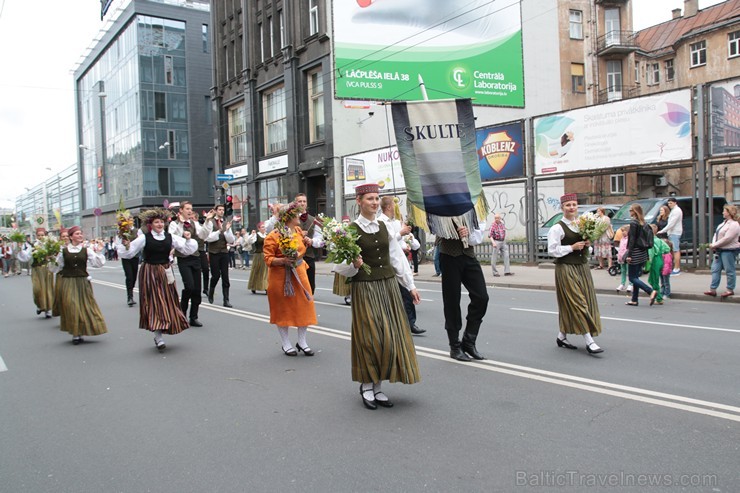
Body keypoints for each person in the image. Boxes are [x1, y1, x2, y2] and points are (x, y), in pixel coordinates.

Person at [334, 183, 420, 410]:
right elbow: (339, 266)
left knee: (389, 337)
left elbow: (397, 257)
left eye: (376, 198)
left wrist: (410, 285)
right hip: (365, 288)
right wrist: (354, 264)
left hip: (389, 286)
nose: (374, 202)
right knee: (370, 337)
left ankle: (378, 386)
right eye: (370, 198)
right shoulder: (350, 230)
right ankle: (366, 385)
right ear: (359, 202)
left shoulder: (385, 226)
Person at [118, 208, 198, 350]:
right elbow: (130, 253)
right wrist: (126, 245)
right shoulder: (145, 238)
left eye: (161, 222)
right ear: (151, 224)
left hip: (165, 271)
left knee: (167, 301)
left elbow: (186, 249)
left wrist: (188, 238)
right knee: (155, 302)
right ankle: (158, 335)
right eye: (156, 222)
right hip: (150, 272)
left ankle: (167, 325)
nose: (160, 224)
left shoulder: (170, 237)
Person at [548, 193, 604, 354]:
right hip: (566, 267)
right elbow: (552, 250)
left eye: (574, 205)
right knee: (578, 302)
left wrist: (587, 245)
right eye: (568, 205)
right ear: (562, 208)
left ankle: (562, 336)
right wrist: (571, 247)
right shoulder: (557, 228)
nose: (571, 208)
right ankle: (589, 340)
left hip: (582, 267)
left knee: (585, 299)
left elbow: (588, 250)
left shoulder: (581, 225)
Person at [263, 202, 318, 356]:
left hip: (300, 273)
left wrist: (307, 243)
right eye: (296, 214)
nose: (300, 216)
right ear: (288, 217)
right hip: (280, 277)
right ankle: (286, 343)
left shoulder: (299, 231)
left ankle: (302, 341)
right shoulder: (273, 236)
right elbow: (268, 259)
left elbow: (301, 248)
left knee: (305, 306)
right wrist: (282, 261)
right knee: (283, 310)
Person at [438, 214, 489, 361]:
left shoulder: (474, 206)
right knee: (452, 301)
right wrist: (451, 229)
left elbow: (477, 237)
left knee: (482, 297)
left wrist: (469, 232)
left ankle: (469, 342)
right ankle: (454, 346)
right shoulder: (443, 205)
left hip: (468, 255)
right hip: (449, 255)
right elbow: (434, 228)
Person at [48, 226, 108, 345]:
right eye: (77, 234)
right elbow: (55, 267)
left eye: (81, 233)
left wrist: (99, 251)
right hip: (68, 282)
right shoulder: (63, 251)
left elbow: (98, 264)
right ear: (71, 237)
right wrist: (52, 259)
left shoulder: (86, 250)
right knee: (72, 305)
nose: (80, 235)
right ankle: (76, 333)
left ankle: (84, 329)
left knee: (86, 306)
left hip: (82, 282)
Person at [377, 196, 425, 335]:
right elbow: (386, 241)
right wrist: (400, 233)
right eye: (394, 205)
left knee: (406, 295)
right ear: (389, 207)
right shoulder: (381, 222)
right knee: (400, 296)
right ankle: (402, 324)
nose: (397, 208)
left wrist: (406, 241)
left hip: (399, 260)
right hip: (390, 264)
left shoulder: (396, 222)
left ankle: (410, 323)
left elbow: (399, 243)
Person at [169, 201, 213, 327]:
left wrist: (208, 221)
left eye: (191, 209)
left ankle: (193, 317)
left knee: (197, 289)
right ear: (181, 210)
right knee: (189, 287)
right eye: (187, 209)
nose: (190, 211)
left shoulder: (194, 223)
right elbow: (171, 237)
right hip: (183, 259)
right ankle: (182, 314)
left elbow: (203, 235)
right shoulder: (174, 224)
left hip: (195, 258)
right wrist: (182, 230)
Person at [17, 228, 55, 318]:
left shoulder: (49, 245)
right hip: (36, 270)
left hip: (47, 269)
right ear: (36, 236)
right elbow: (26, 257)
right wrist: (21, 250)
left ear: (45, 236)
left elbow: (54, 256)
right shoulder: (33, 245)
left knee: (48, 289)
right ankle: (39, 305)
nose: (41, 237)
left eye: (42, 235)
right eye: (39, 235)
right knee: (37, 289)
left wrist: (50, 257)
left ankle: (48, 309)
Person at [625, 203, 657, 307]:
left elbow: (632, 239)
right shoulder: (643, 222)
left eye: (631, 210)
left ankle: (650, 291)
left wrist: (629, 254)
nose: (629, 212)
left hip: (635, 252)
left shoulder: (634, 223)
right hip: (642, 252)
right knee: (636, 277)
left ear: (635, 212)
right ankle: (634, 300)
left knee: (632, 278)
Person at [704, 204, 739, 298]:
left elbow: (727, 238)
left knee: (729, 270)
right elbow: (716, 234)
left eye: (724, 211)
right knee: (715, 269)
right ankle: (713, 289)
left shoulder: (734, 225)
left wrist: (715, 245)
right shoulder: (722, 223)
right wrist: (713, 244)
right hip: (719, 250)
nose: (723, 212)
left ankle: (730, 289)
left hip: (729, 250)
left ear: (729, 212)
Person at [205, 204, 235, 307]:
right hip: (214, 252)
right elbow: (208, 238)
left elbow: (231, 240)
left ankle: (226, 300)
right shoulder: (210, 222)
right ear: (216, 211)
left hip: (224, 252)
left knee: (225, 277)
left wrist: (227, 231)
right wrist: (219, 231)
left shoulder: (226, 222)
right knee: (216, 275)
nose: (222, 211)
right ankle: (211, 290)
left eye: (223, 210)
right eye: (220, 210)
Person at [118, 221, 142, 307]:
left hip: (134, 256)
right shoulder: (121, 231)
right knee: (129, 276)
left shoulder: (137, 231)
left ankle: (131, 291)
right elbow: (118, 243)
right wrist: (124, 244)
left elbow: (140, 241)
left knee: (134, 276)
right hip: (125, 257)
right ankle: (129, 297)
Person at [657, 197, 683, 275]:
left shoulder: (677, 211)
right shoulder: (674, 210)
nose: (669, 204)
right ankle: (675, 268)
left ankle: (677, 268)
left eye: (671, 203)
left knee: (676, 250)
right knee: (674, 250)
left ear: (675, 203)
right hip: (672, 232)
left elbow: (671, 224)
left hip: (675, 232)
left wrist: (662, 231)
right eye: (668, 203)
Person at [646, 224, 670, 305]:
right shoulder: (659, 240)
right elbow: (667, 248)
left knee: (653, 280)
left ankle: (658, 297)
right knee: (655, 278)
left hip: (655, 260)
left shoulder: (650, 241)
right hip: (660, 259)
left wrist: (649, 260)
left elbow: (651, 252)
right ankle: (658, 295)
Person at [331, 216, 353, 305]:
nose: (346, 223)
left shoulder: (353, 232)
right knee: (345, 280)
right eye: (344, 222)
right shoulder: (338, 234)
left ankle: (352, 296)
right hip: (343, 260)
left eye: (347, 221)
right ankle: (348, 296)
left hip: (352, 259)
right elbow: (333, 246)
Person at [51, 229, 69, 317]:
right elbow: (54, 265)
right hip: (61, 274)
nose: (65, 238)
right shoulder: (57, 249)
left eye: (67, 236)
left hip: (72, 274)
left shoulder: (73, 247)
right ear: (60, 238)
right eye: (63, 236)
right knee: (62, 296)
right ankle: (64, 314)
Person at [247, 222, 268, 294]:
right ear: (259, 228)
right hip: (258, 255)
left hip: (265, 254)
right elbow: (250, 241)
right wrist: (252, 235)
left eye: (264, 227)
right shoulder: (256, 235)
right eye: (262, 227)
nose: (264, 228)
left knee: (265, 271)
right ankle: (253, 286)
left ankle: (265, 286)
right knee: (256, 270)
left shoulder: (267, 235)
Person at [614, 225, 632, 293]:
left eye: (624, 231)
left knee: (629, 271)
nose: (623, 233)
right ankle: (622, 283)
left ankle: (630, 284)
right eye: (622, 231)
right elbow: (621, 249)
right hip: (622, 257)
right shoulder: (622, 239)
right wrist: (619, 257)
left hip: (627, 257)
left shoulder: (630, 239)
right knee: (623, 270)